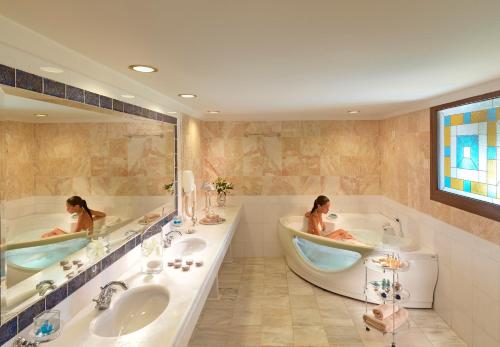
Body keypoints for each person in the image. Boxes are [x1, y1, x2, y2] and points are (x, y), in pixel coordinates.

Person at [41, 196, 106, 238]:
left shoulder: (81, 216)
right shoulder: (87, 211)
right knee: (54, 233)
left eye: (68, 207)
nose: (67, 209)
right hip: (87, 236)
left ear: (76, 206)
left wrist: (59, 236)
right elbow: (103, 214)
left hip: (83, 239)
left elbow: (76, 234)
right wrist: (91, 220)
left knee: (54, 232)